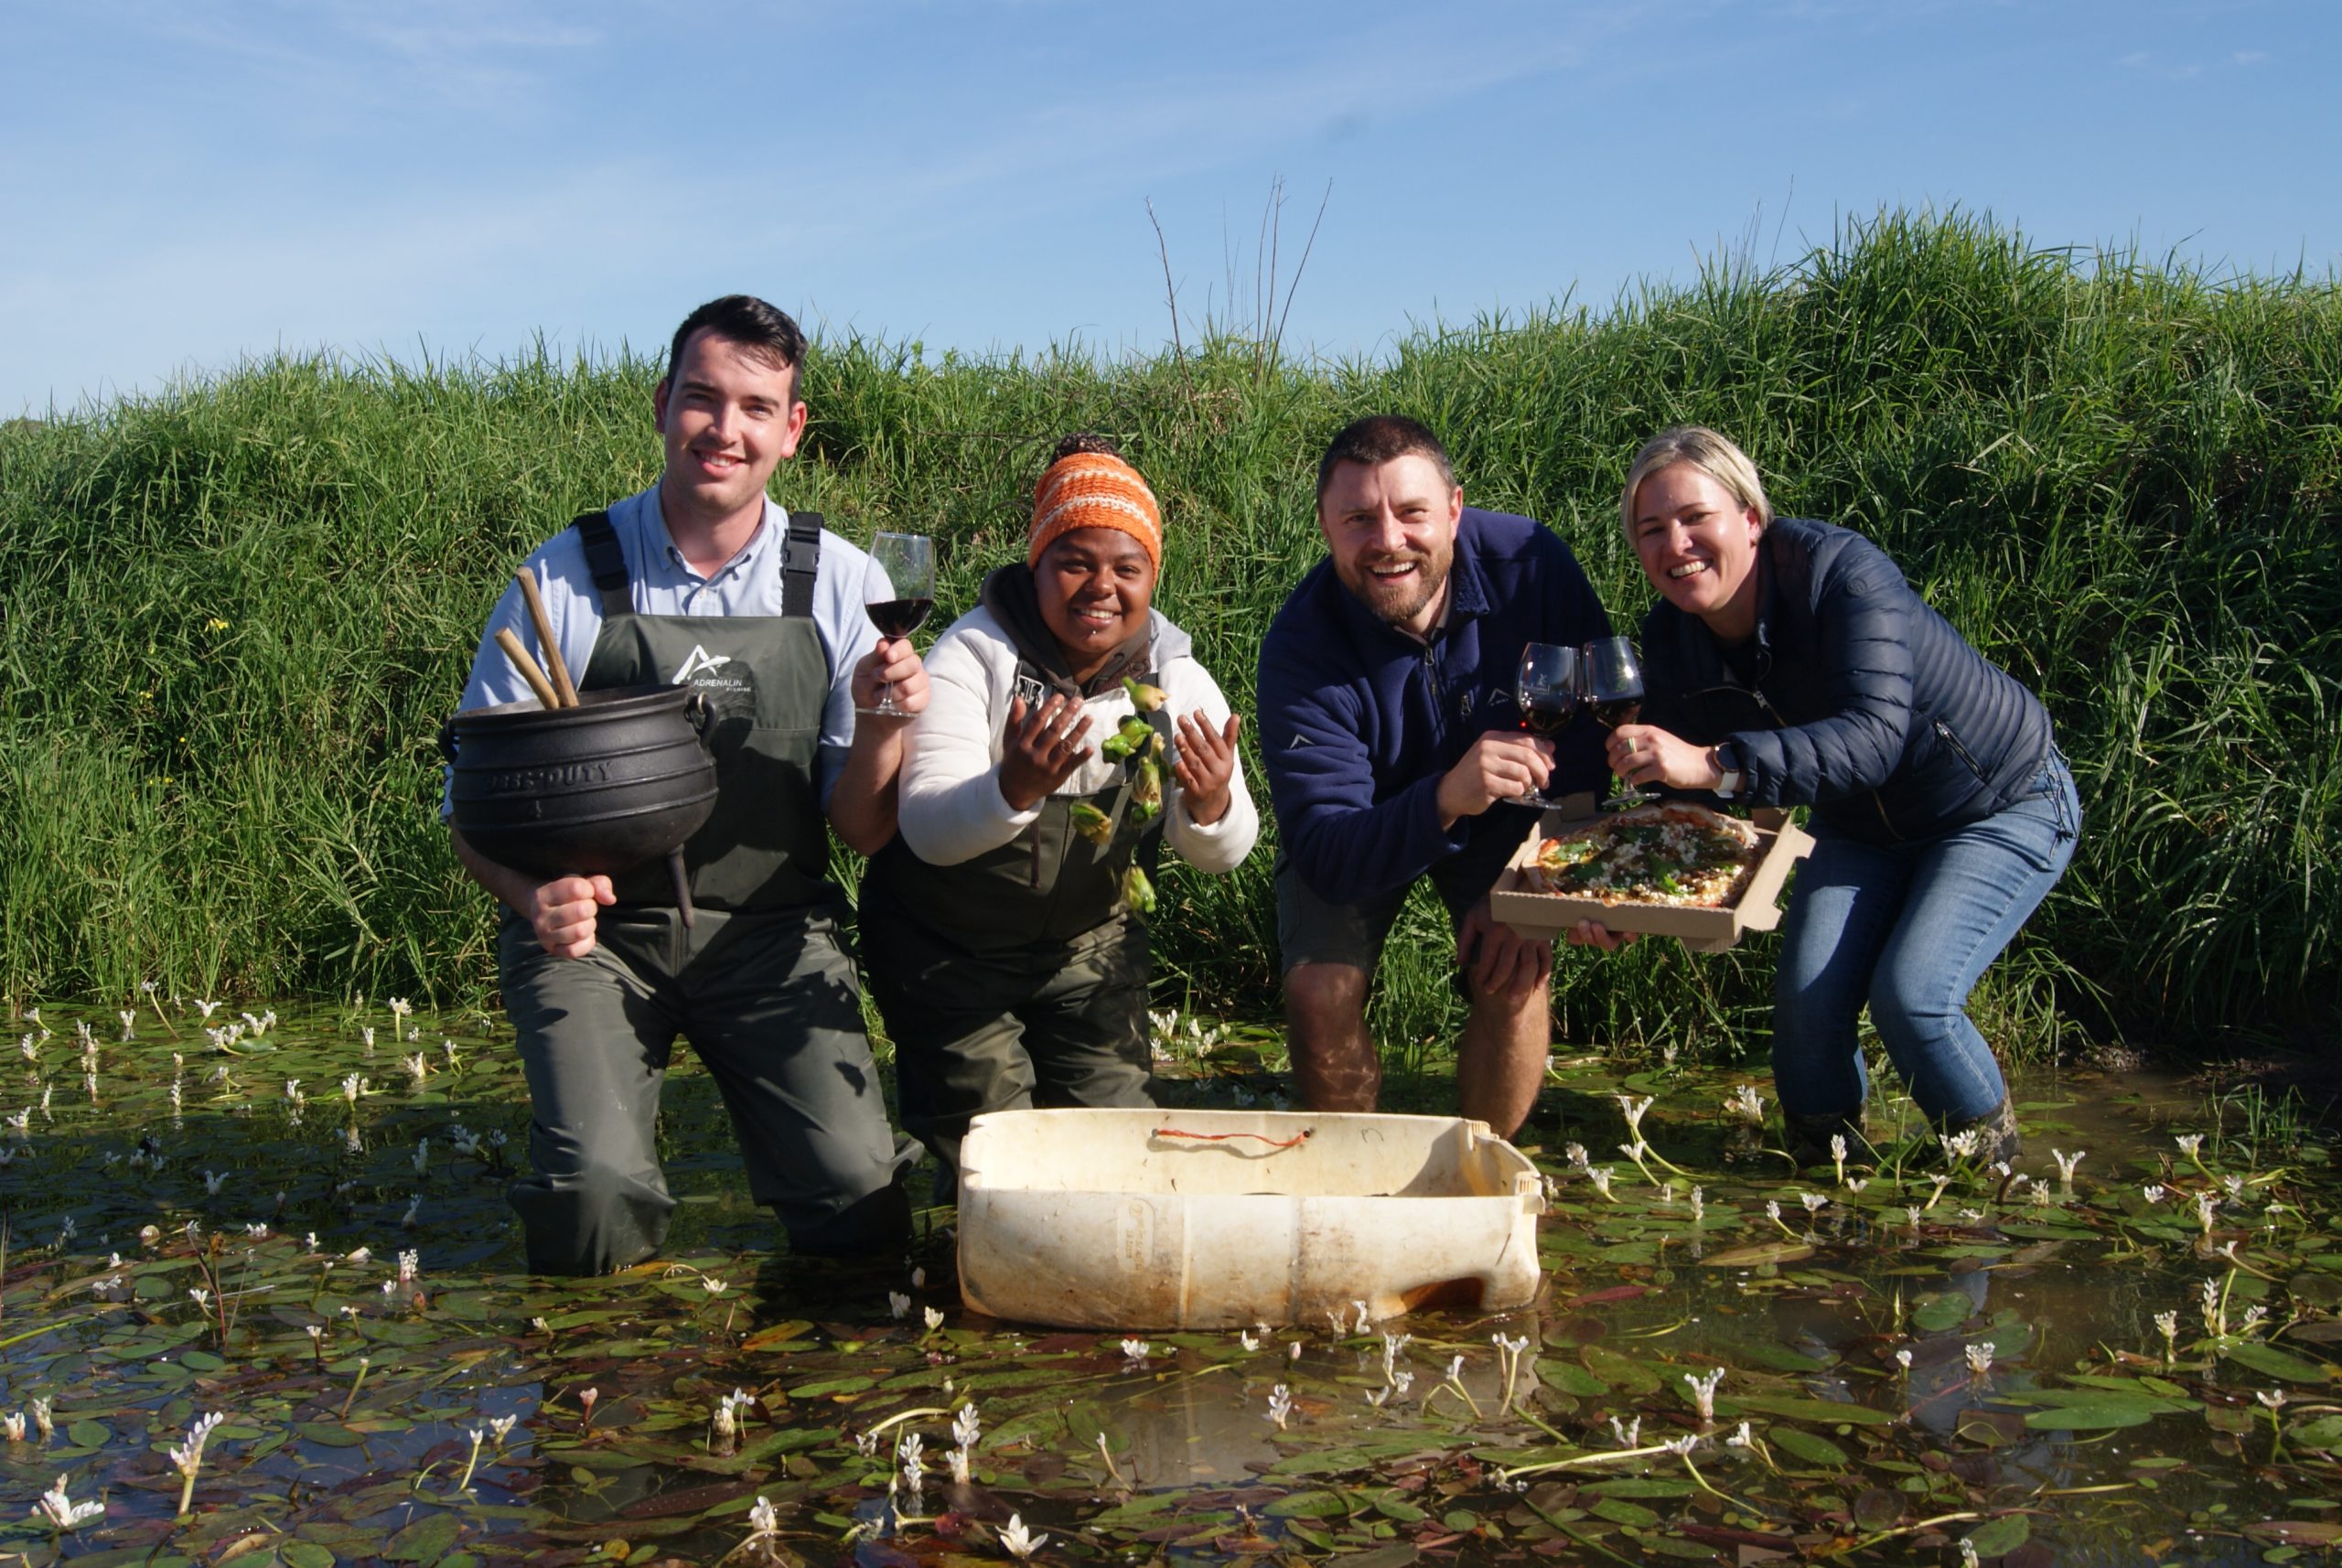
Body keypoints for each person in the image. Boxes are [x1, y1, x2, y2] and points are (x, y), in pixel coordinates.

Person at [447, 295, 924, 1273]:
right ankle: (593, 1391)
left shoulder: (837, 580)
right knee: (595, 1203)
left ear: (792, 431)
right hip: (600, 942)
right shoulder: (568, 576)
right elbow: (471, 808)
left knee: (856, 1202)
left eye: (756, 407)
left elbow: (862, 831)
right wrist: (529, 895)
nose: (725, 429)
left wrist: (884, 724)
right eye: (703, 399)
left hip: (773, 934)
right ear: (663, 403)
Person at [1592, 425, 2080, 1160]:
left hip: (1998, 801)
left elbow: (1874, 737)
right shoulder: (1671, 640)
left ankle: (1995, 1176)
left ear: (1750, 518)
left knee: (1912, 1000)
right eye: (1651, 530)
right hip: (1860, 826)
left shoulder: (1841, 575)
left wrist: (1717, 762)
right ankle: (1825, 1196)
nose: (1677, 544)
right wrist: (1633, 900)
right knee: (1808, 1013)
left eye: (1697, 518)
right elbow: (1687, 808)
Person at [859, 435, 1258, 1192]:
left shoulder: (1174, 677)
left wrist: (1209, 805)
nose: (1100, 587)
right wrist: (1011, 788)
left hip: (1089, 952)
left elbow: (1228, 848)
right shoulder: (975, 654)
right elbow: (927, 830)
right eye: (1075, 562)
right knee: (997, 1168)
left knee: (1116, 1161)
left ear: (1151, 578)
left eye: (1127, 568)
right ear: (1037, 565)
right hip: (950, 953)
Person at [1256, 415, 1611, 1137]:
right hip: (1368, 822)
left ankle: (1480, 1167)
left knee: (1514, 969)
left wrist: (1531, 882)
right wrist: (1446, 796)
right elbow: (1326, 849)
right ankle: (1355, 1172)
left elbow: (1592, 729)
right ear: (1325, 526)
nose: (1388, 541)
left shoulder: (1533, 564)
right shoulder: (1301, 646)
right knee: (1320, 990)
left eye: (1412, 512)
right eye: (1358, 519)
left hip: (1512, 818)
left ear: (1453, 509)